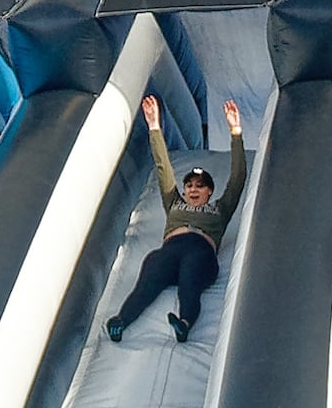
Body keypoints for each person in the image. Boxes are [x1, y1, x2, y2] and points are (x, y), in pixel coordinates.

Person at [105, 94, 246, 344]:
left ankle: (184, 324)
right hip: (170, 250)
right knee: (149, 277)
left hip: (200, 252)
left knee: (190, 283)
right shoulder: (174, 202)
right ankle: (121, 321)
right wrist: (154, 127)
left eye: (200, 187)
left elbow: (237, 178)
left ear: (209, 192)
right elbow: (163, 169)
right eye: (189, 185)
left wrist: (235, 132)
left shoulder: (221, 209)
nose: (193, 189)